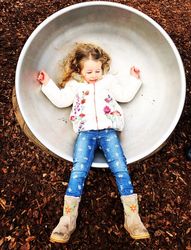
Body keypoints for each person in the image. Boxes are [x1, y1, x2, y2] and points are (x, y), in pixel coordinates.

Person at [37, 43, 150, 243]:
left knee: (120, 167)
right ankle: (67, 220)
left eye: (97, 70)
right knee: (79, 169)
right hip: (86, 133)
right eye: (89, 71)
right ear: (79, 70)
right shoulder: (75, 85)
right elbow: (61, 100)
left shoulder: (108, 82)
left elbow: (124, 96)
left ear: (102, 67)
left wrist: (134, 79)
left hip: (108, 132)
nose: (94, 74)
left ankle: (132, 218)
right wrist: (47, 84)